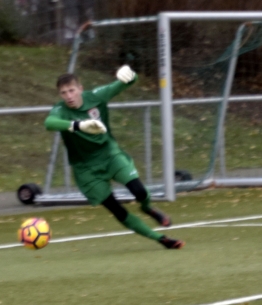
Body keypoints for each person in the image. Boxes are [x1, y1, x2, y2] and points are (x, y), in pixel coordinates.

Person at [45, 66, 184, 249]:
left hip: (109, 154)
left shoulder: (95, 96)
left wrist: (131, 75)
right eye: (64, 93)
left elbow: (128, 82)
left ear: (80, 88)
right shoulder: (60, 109)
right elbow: (49, 123)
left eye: (71, 90)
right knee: (116, 209)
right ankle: (160, 239)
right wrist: (78, 125)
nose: (69, 96)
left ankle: (147, 207)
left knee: (139, 191)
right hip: (85, 169)